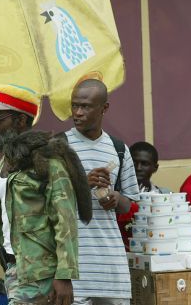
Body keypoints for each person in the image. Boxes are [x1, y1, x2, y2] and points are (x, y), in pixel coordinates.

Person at [0, 84, 91, 305]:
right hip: (12, 271)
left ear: (20, 121)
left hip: (40, 275)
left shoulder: (48, 163)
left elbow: (64, 221)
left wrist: (64, 276)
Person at [63, 78, 139, 305]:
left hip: (111, 270)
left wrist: (117, 199)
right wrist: (82, 184)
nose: (77, 112)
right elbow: (44, 200)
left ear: (104, 108)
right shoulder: (59, 147)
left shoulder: (118, 149)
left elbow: (132, 205)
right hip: (73, 270)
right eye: (74, 105)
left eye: (85, 106)